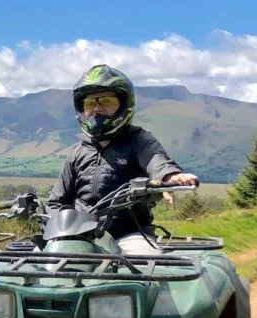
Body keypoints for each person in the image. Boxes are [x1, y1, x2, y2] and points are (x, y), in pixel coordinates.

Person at [48, 64, 199, 255]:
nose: (97, 109)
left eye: (106, 101)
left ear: (124, 104)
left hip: (129, 233)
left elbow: (156, 160)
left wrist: (169, 177)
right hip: (80, 235)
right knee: (39, 263)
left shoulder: (138, 140)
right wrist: (58, 225)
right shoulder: (77, 152)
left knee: (147, 260)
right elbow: (57, 201)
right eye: (90, 103)